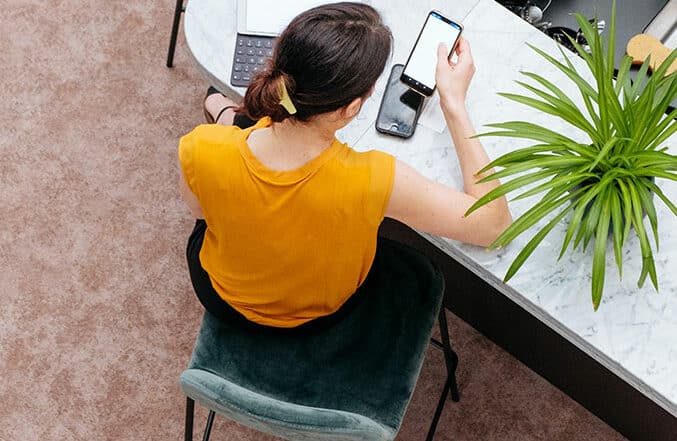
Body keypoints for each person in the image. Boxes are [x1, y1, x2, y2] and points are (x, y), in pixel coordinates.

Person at [178, 2, 512, 330]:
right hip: (322, 313)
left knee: (239, 134)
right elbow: (494, 227)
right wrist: (453, 103)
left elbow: (201, 213)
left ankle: (223, 110)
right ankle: (227, 112)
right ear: (351, 108)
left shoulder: (200, 147)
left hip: (222, 297)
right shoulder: (374, 178)